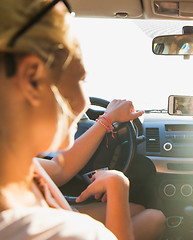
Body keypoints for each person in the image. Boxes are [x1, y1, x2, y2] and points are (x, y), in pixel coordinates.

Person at [1, 0, 133, 239]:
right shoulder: (68, 234)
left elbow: (61, 168)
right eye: (80, 78)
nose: (85, 104)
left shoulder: (23, 170)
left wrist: (106, 120)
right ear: (33, 78)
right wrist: (118, 186)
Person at [39, 99, 166, 240]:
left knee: (140, 211)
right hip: (54, 221)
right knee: (155, 218)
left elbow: (60, 167)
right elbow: (60, 167)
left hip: (52, 211)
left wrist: (106, 119)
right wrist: (116, 184)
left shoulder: (24, 166)